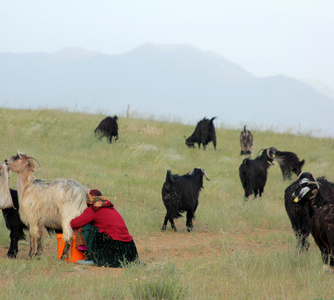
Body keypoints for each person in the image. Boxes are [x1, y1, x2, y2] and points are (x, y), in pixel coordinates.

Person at [70, 189, 139, 267]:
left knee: (86, 226)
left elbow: (74, 224)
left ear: (90, 199)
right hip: (129, 248)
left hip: (113, 246)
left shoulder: (94, 209)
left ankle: (95, 257)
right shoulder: (110, 207)